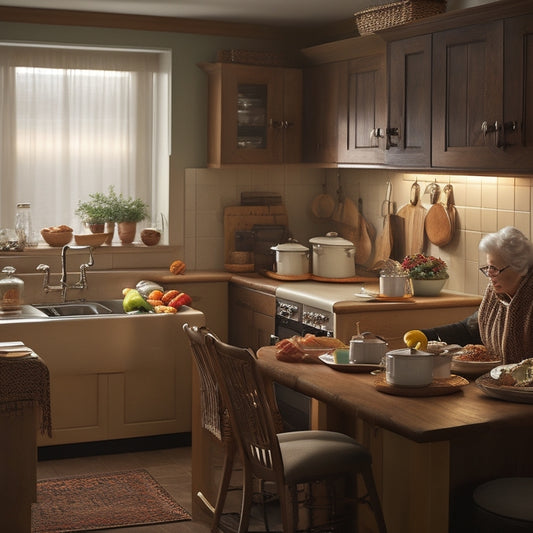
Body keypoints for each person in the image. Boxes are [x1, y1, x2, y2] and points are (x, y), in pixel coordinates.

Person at [422, 226, 533, 364]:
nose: (490, 275)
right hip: (497, 380)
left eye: (495, 268)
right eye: (488, 267)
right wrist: (426, 335)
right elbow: (469, 329)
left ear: (520, 267)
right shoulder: (496, 296)